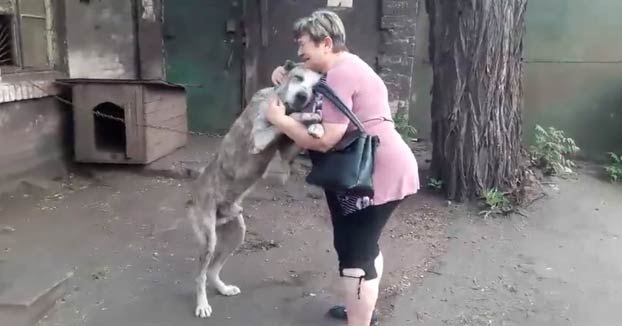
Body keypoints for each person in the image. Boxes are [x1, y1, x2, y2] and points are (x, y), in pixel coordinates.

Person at [265, 10, 420, 326]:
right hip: (364, 170)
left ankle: (359, 319)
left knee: (355, 252)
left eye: (303, 47)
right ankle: (360, 309)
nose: (299, 54)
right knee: (359, 244)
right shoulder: (343, 68)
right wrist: (287, 72)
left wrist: (279, 120)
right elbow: (314, 98)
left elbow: (325, 139)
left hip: (375, 173)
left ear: (326, 43)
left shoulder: (341, 73)